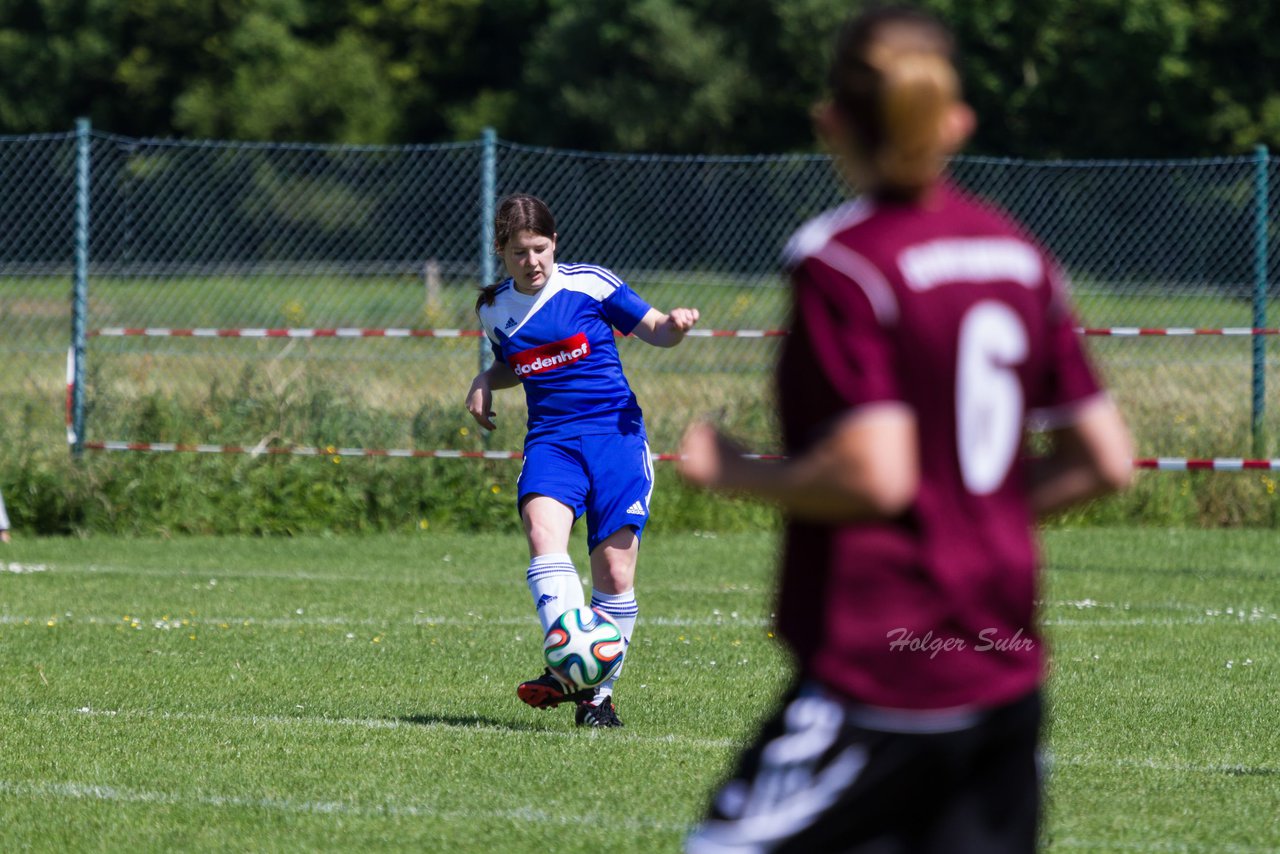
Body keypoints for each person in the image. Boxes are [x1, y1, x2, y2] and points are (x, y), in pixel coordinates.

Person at [678, 6, 1132, 852]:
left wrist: (739, 470)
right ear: (957, 120)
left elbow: (877, 474)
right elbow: (1106, 460)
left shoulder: (843, 260)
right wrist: (974, 508)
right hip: (1002, 661)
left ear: (832, 121)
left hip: (880, 663)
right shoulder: (1020, 254)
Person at [465, 193, 700, 728]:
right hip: (551, 440)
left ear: (555, 244)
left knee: (615, 575)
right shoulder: (493, 308)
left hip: (615, 438)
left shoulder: (590, 283)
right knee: (542, 537)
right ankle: (572, 661)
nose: (533, 261)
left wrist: (678, 327)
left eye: (541, 248)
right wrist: (485, 378)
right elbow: (515, 363)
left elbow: (657, 329)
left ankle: (593, 696)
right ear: (502, 251)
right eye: (521, 252)